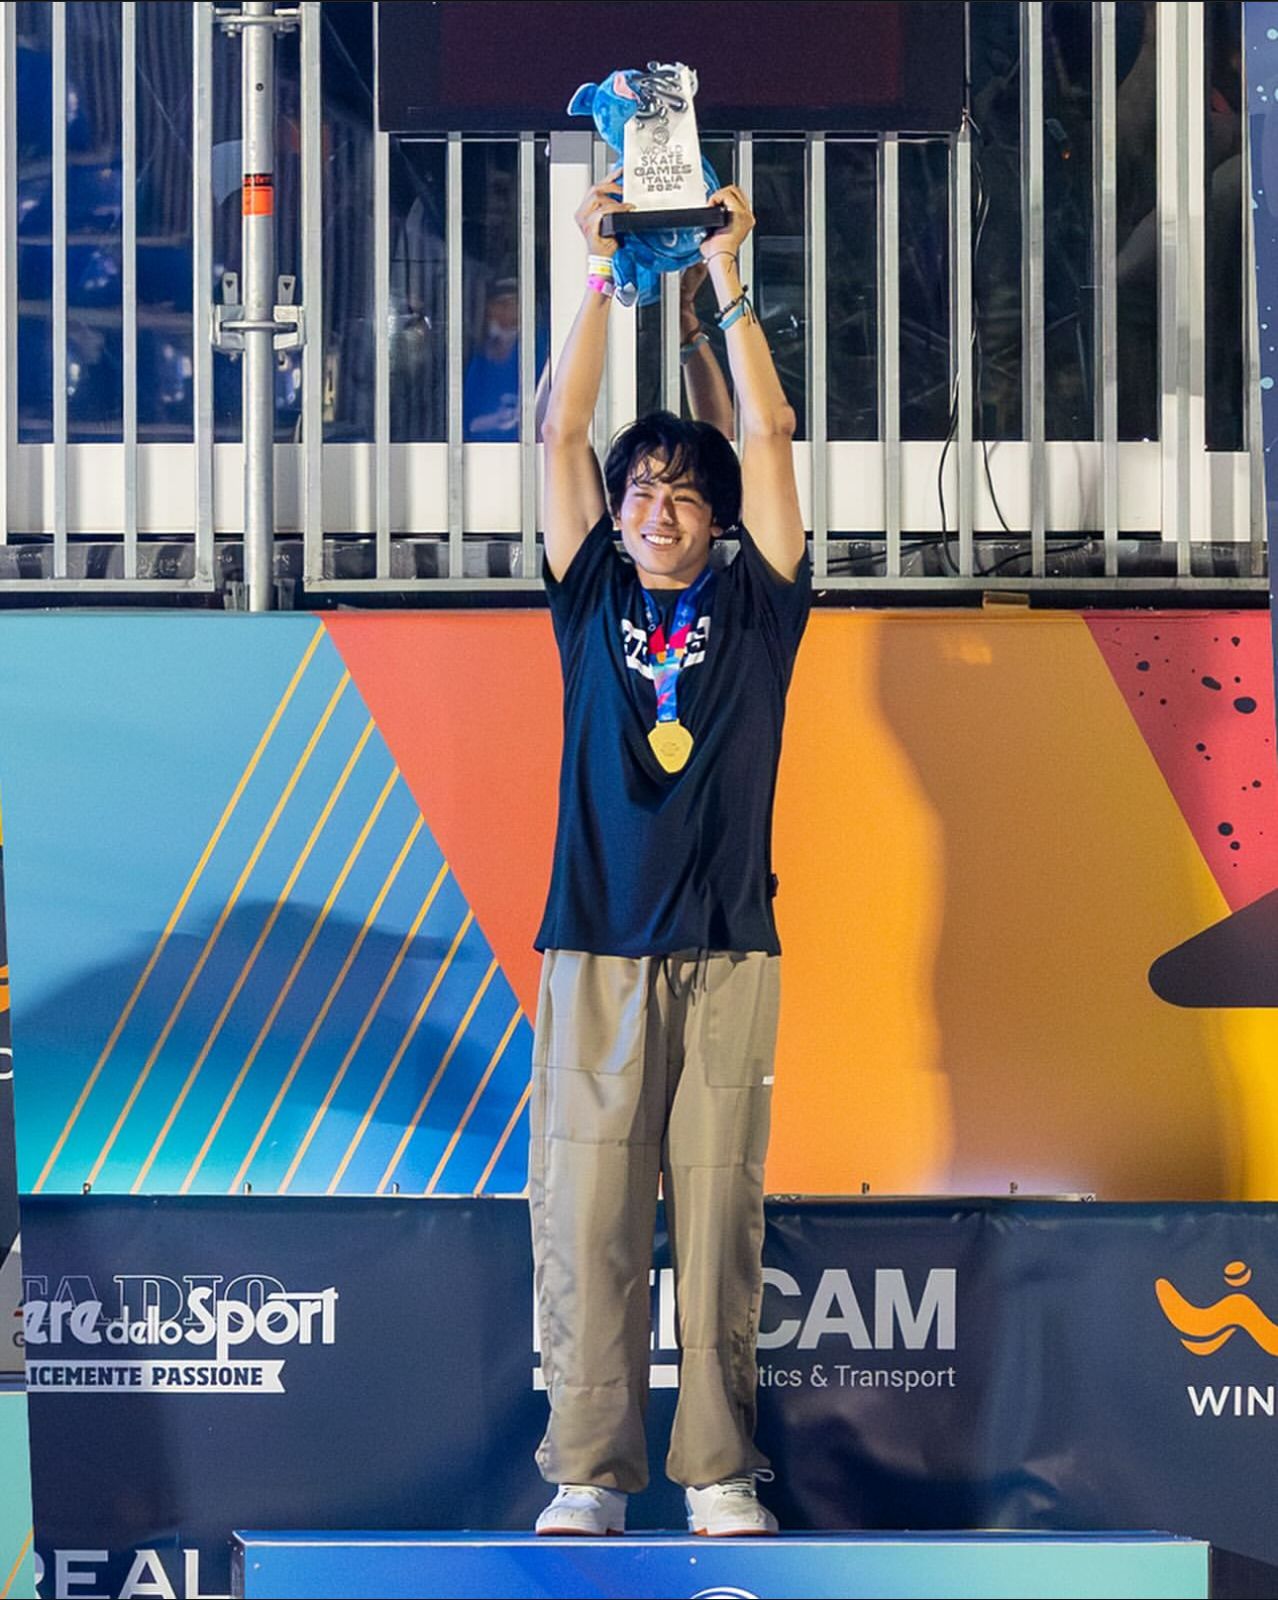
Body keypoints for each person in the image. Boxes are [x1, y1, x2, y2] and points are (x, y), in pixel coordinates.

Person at [530, 167, 810, 1539]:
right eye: (638, 490)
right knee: (585, 1221)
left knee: (714, 1227)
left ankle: (715, 1471)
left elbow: (767, 426)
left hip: (725, 951)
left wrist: (725, 274)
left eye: (679, 493)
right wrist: (595, 269)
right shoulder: (586, 598)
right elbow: (557, 428)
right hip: (590, 945)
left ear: (718, 519)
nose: (651, 506)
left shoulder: (760, 610)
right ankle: (589, 1468)